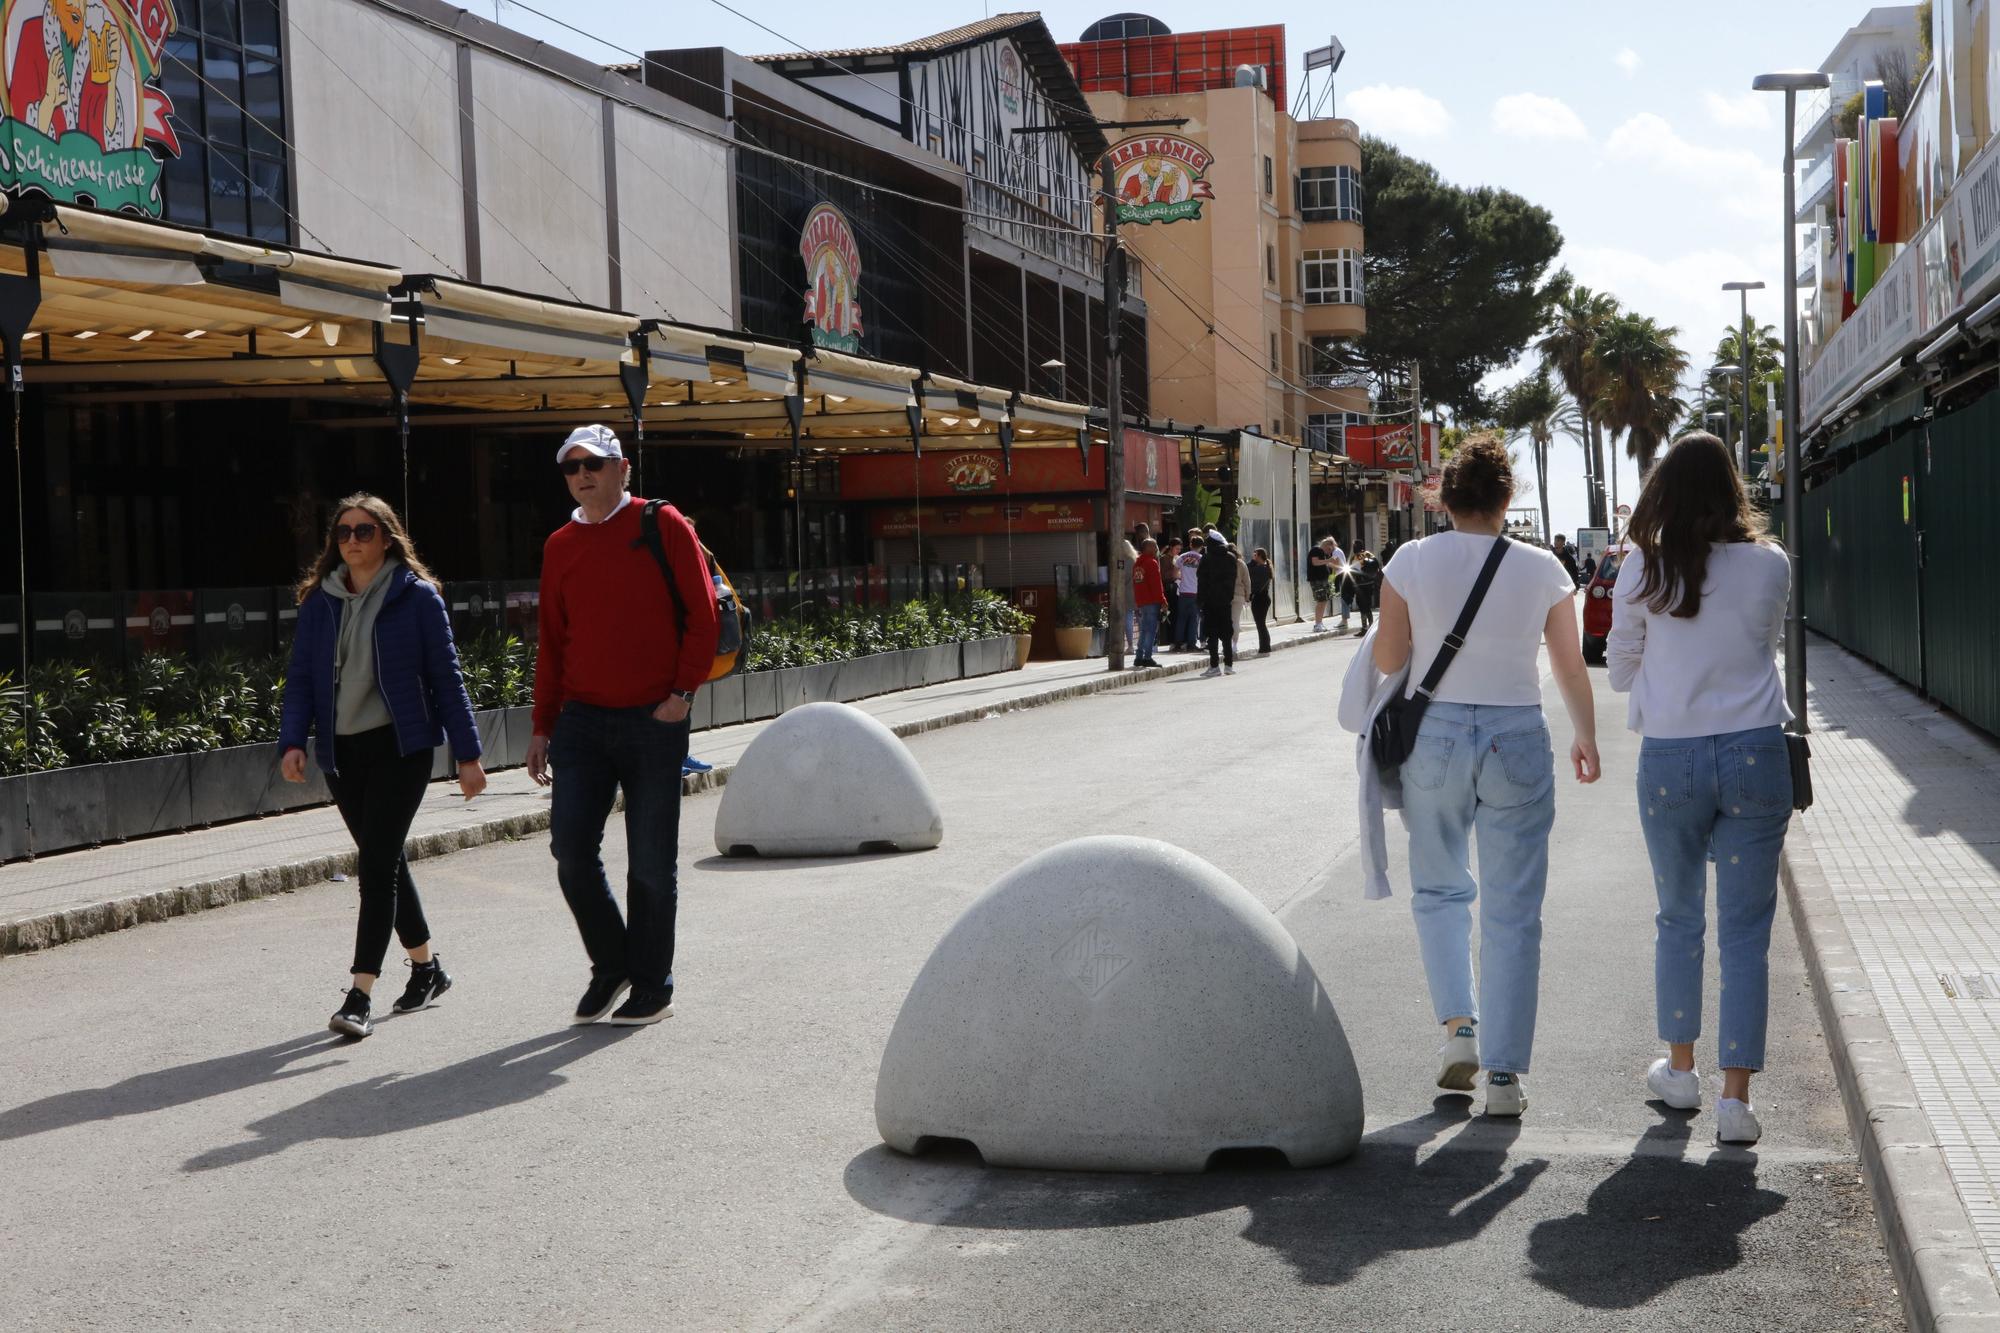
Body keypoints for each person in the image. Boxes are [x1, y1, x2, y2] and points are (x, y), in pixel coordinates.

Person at [1373, 435, 1600, 1117]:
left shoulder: (1410, 560)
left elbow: (1389, 659)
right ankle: (1503, 1076)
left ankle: (1458, 1032)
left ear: (1444, 497)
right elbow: (1569, 664)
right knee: (1514, 909)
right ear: (1508, 497)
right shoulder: (1543, 568)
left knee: (1441, 890)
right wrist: (1585, 732)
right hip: (1516, 735)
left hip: (1436, 736)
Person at [1607, 431, 1793, 1145]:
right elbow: (1764, 646)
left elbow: (1621, 672)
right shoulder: (1770, 564)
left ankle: (1679, 1071)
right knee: (1746, 929)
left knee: (1678, 915)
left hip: (1671, 759)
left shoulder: (1643, 568)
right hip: (1754, 750)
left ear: (1666, 491)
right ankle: (1735, 1101)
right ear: (1733, 487)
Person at [527, 425, 721, 1028]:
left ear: (622, 468)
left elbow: (703, 614)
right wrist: (541, 726)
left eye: (595, 463)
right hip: (582, 722)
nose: (583, 474)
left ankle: (652, 985)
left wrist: (681, 694)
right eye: (572, 466)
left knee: (650, 862)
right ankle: (612, 964)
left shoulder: (662, 525)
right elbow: (552, 643)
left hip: (653, 719)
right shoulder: (560, 545)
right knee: (570, 852)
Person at [279, 493, 487, 1040]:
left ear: (387, 538)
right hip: (341, 753)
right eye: (343, 532)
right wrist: (292, 741)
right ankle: (426, 968)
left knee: (375, 868)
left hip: (402, 747)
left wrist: (468, 756)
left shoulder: (416, 598)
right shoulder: (318, 601)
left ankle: (359, 995)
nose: (352, 540)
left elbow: (447, 679)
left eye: (364, 531)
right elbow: (301, 677)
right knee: (385, 860)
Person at [1196, 527, 1237, 677]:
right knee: (1226, 634)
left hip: (1210, 602)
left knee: (1211, 634)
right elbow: (1232, 581)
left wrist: (1200, 600)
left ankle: (1214, 666)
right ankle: (1229, 665)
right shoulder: (1231, 558)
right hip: (1225, 602)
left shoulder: (1206, 559)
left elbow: (1201, 581)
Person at [1132, 536, 1167, 667]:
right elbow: (1156, 585)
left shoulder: (1137, 564)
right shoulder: (1151, 563)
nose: (1157, 548)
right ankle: (1147, 656)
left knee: (1144, 630)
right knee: (1151, 630)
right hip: (1152, 601)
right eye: (1155, 545)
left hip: (1142, 601)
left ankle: (1139, 656)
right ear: (1148, 548)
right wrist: (1163, 600)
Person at [1174, 534, 1204, 652]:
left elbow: (1175, 573)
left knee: (1181, 618)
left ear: (1191, 544)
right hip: (1195, 592)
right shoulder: (1202, 558)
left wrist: (1180, 579)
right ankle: (1191, 643)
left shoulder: (1181, 557)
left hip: (1183, 592)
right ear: (1201, 546)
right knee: (1194, 619)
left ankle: (1178, 643)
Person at [1307, 536, 1339, 631]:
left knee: (1324, 600)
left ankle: (1320, 622)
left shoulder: (1323, 553)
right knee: (1320, 601)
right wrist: (1329, 560)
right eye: (1330, 549)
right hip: (1317, 579)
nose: (1330, 552)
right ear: (1326, 545)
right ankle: (1317, 624)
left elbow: (1326, 563)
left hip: (1323, 579)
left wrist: (1338, 566)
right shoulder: (1316, 550)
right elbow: (1315, 562)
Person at [1248, 546, 1274, 655]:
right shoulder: (1265, 567)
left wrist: (1252, 561)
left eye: (1255, 555)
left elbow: (1248, 569)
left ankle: (1265, 647)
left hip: (1260, 599)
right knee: (1261, 624)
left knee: (1260, 624)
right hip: (1263, 598)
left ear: (1259, 556)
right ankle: (1264, 646)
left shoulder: (1261, 568)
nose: (1253, 557)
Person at [1158, 537, 1183, 647]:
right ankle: (1169, 640)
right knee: (1169, 615)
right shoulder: (1164, 559)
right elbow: (1164, 575)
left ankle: (1175, 639)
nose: (1178, 551)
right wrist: (1175, 570)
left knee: (1176, 615)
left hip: (1177, 589)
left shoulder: (1178, 558)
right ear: (1171, 547)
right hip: (1169, 589)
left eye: (1179, 549)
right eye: (1177, 548)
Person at [1229, 542, 1251, 658]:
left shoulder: (1224, 562)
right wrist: (1247, 597)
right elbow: (1247, 581)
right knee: (1235, 621)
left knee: (1226, 621)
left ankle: (1226, 644)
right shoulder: (1241, 564)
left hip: (1225, 595)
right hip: (1239, 595)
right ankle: (1234, 644)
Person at [1352, 549, 1384, 632]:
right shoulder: (1369, 554)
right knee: (1367, 606)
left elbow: (1354, 570)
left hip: (1360, 585)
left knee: (1362, 606)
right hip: (1369, 584)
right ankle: (1370, 627)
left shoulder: (1357, 556)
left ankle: (1364, 628)